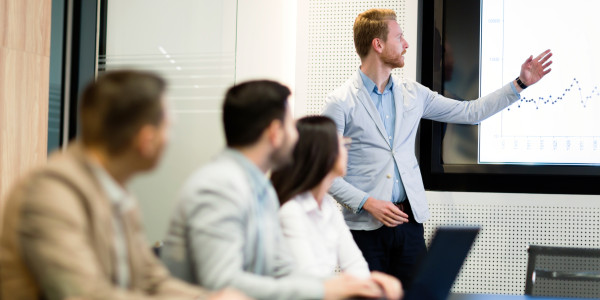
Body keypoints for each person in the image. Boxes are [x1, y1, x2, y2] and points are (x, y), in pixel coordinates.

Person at [322, 8, 552, 288]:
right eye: (399, 37)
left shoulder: (413, 93)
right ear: (378, 44)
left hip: (409, 224)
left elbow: (471, 112)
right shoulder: (340, 102)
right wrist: (367, 203)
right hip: (364, 230)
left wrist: (519, 84)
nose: (406, 44)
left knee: (423, 296)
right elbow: (324, 175)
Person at [0, 70, 246, 300]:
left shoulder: (117, 194)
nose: (170, 139)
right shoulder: (50, 193)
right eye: (168, 128)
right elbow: (84, 295)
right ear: (146, 139)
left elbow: (152, 281)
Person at [161, 80, 394, 300]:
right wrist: (325, 288)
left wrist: (357, 286)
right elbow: (223, 283)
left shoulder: (260, 188)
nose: (296, 138)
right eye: (291, 126)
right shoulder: (219, 187)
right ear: (275, 133)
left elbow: (282, 268)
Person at [271, 116, 402, 299]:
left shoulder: (327, 206)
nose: (347, 149)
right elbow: (311, 284)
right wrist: (361, 285)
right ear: (321, 153)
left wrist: (373, 283)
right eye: (342, 143)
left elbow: (355, 265)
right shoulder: (291, 211)